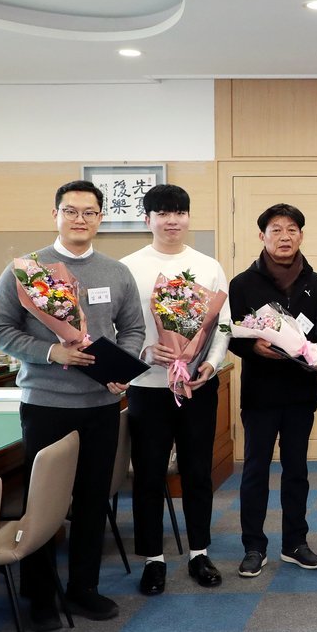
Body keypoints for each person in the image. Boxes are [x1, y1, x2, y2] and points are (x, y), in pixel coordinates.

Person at [0, 180, 145, 630]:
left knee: (93, 500)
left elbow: (133, 328)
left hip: (100, 405)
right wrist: (52, 352)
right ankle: (39, 594)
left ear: (100, 219)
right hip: (46, 405)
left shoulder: (116, 271)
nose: (80, 219)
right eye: (71, 211)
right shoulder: (26, 270)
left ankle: (83, 589)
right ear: (55, 215)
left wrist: (122, 365)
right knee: (43, 504)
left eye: (89, 212)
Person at [121, 184, 232, 595]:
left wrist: (210, 364)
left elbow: (223, 324)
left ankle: (199, 552)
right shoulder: (128, 268)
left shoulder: (208, 266)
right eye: (163, 213)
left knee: (198, 471)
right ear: (147, 219)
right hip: (147, 387)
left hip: (197, 387)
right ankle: (153, 559)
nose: (172, 220)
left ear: (188, 217)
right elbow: (114, 328)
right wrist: (144, 352)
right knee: (149, 474)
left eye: (180, 212)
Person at [229, 203, 317, 577]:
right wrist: (253, 347)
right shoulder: (243, 283)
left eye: (291, 230)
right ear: (262, 236)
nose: (284, 237)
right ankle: (253, 546)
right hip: (260, 394)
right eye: (276, 230)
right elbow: (231, 335)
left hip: (301, 392)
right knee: (255, 470)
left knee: (297, 471)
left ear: (301, 235)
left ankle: (295, 543)